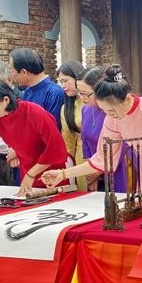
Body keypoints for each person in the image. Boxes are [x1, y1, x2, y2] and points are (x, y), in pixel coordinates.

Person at [42, 65, 142, 196]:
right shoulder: (111, 119)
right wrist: (63, 174)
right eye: (105, 111)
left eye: (112, 110)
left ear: (127, 98)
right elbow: (103, 158)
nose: (110, 115)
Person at [0, 77, 67, 196]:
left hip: (52, 173)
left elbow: (56, 148)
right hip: (26, 173)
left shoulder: (34, 112)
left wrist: (31, 174)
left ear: (6, 100)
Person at [77, 67, 128, 192]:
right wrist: (91, 172)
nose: (82, 97)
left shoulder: (114, 111)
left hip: (118, 167)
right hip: (94, 168)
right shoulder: (85, 109)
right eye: (79, 92)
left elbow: (122, 146)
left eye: (86, 94)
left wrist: (97, 171)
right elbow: (85, 140)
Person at [9, 47, 64, 128]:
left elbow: (53, 128)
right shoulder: (28, 91)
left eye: (11, 70)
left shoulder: (54, 93)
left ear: (23, 72)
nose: (11, 75)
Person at [57, 61, 88, 191]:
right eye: (61, 82)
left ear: (77, 77)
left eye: (65, 81)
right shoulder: (66, 108)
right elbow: (68, 143)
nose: (63, 86)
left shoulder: (92, 101)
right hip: (81, 157)